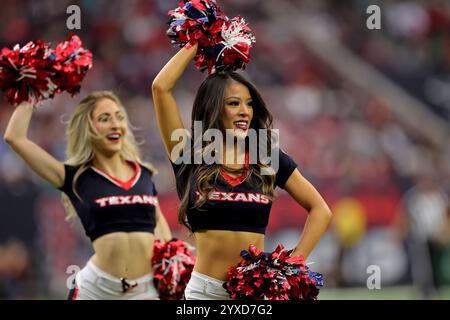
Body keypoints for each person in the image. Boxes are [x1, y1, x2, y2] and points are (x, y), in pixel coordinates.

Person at [151, 44, 332, 300]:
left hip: (255, 295)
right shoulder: (189, 154)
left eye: (249, 104)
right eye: (234, 103)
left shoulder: (266, 156)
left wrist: (291, 267)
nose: (245, 111)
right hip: (204, 293)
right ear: (214, 108)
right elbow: (160, 88)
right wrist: (199, 40)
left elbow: (320, 210)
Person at [3, 91, 172, 300]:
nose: (114, 124)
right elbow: (15, 138)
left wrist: (173, 268)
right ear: (88, 128)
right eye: (104, 118)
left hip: (144, 289)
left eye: (119, 117)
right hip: (98, 290)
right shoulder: (76, 177)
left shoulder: (143, 174)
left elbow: (163, 235)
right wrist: (34, 92)